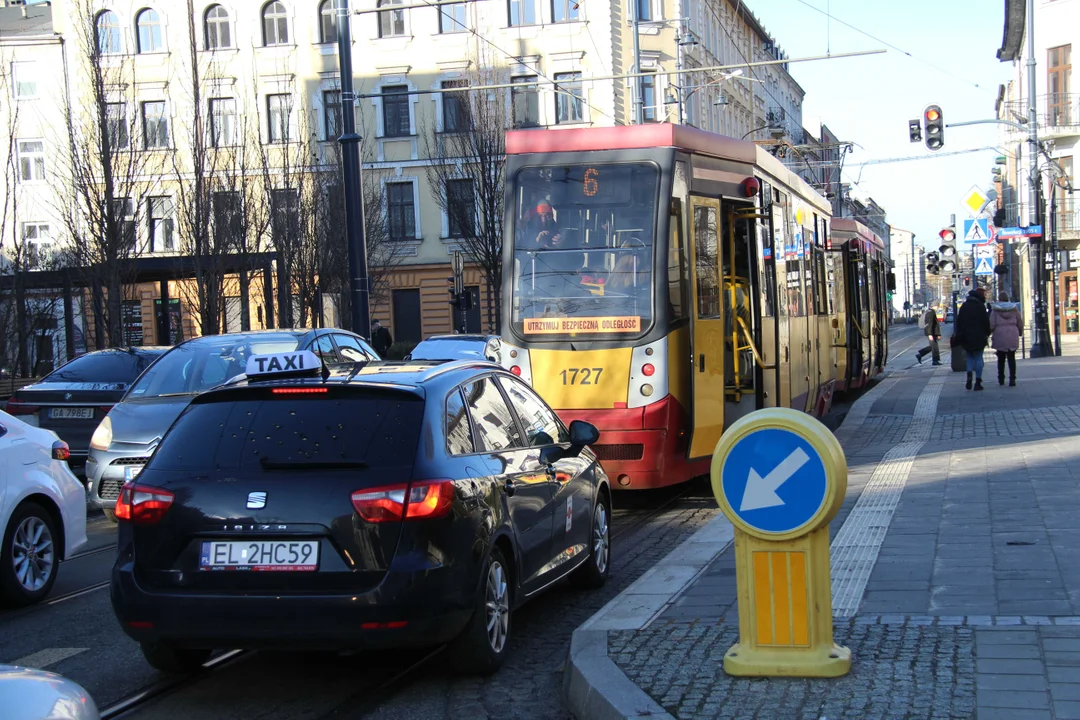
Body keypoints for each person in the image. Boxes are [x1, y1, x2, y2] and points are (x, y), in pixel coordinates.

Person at [954, 287, 992, 391]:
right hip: (979, 336)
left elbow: (959, 322)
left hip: (967, 336)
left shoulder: (964, 306)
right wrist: (987, 333)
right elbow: (986, 322)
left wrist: (959, 335)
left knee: (970, 357)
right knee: (979, 357)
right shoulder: (980, 307)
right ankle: (978, 381)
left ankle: (969, 374)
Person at [990, 292, 1023, 386]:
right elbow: (1019, 321)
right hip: (1012, 333)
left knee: (1001, 358)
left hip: (999, 333)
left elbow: (992, 323)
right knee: (1011, 358)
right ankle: (1012, 378)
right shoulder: (1014, 308)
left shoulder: (995, 310)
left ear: (999, 298)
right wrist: (1020, 331)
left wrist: (990, 332)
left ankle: (1001, 378)